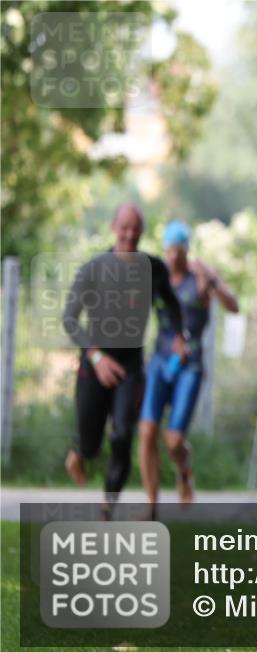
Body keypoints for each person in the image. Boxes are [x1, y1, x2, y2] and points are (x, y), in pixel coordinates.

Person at [62, 204, 186, 518]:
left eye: (136, 228)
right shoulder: (93, 268)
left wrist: (178, 337)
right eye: (124, 227)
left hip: (130, 366)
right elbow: (70, 320)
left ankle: (107, 507)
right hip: (94, 364)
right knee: (90, 444)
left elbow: (172, 305)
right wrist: (96, 356)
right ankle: (78, 453)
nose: (130, 235)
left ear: (142, 230)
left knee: (121, 434)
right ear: (113, 227)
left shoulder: (154, 269)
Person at [138, 220, 239, 511]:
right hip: (160, 360)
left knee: (173, 440)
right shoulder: (158, 277)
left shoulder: (200, 277)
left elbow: (233, 307)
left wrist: (214, 282)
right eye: (168, 251)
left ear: (186, 250)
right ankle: (151, 504)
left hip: (190, 365)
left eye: (178, 251)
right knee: (146, 432)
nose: (173, 257)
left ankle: (184, 472)